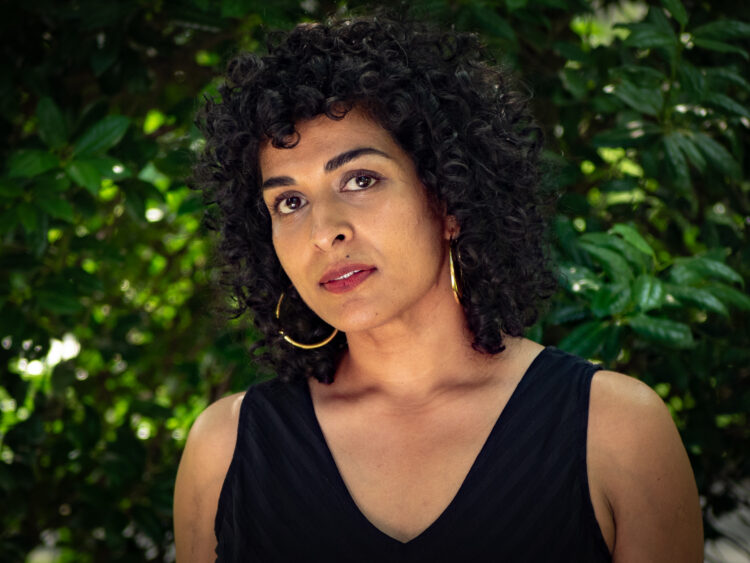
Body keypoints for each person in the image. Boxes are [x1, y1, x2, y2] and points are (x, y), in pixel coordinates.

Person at [174, 14, 704, 563]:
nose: (323, 232)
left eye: (360, 179)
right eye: (289, 201)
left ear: (448, 200)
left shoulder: (617, 431)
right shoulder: (225, 450)